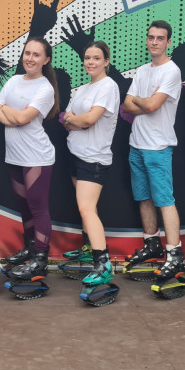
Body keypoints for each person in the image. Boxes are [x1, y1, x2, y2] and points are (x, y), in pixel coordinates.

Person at [0, 36, 59, 278]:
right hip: (15, 157)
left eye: (36, 55)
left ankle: (40, 258)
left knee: (37, 207)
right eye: (27, 53)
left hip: (36, 157)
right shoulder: (13, 80)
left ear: (46, 60)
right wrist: (14, 115)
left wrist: (8, 111)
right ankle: (30, 248)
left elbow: (22, 118)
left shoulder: (45, 88)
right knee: (24, 207)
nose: (30, 58)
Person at [123, 20, 183, 281]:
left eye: (160, 38)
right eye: (151, 37)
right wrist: (143, 100)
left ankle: (175, 255)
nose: (154, 42)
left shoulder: (171, 71)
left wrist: (142, 101)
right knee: (144, 198)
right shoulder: (142, 70)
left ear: (168, 42)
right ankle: (152, 244)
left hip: (158, 146)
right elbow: (128, 105)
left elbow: (151, 106)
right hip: (137, 144)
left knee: (164, 200)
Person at [61, 41, 119, 287]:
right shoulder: (83, 88)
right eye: (87, 58)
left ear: (106, 61)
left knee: (87, 208)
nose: (91, 62)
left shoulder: (109, 86)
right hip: (75, 154)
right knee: (84, 207)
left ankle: (103, 265)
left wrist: (77, 120)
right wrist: (75, 120)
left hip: (93, 158)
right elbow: (65, 118)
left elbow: (89, 120)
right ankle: (88, 248)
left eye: (96, 58)